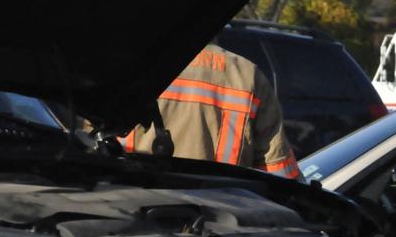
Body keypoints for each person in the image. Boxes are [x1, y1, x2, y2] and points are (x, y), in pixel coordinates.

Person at [124, 44, 301, 179]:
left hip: (127, 213)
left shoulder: (125, 66)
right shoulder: (246, 76)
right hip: (218, 215)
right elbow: (281, 177)